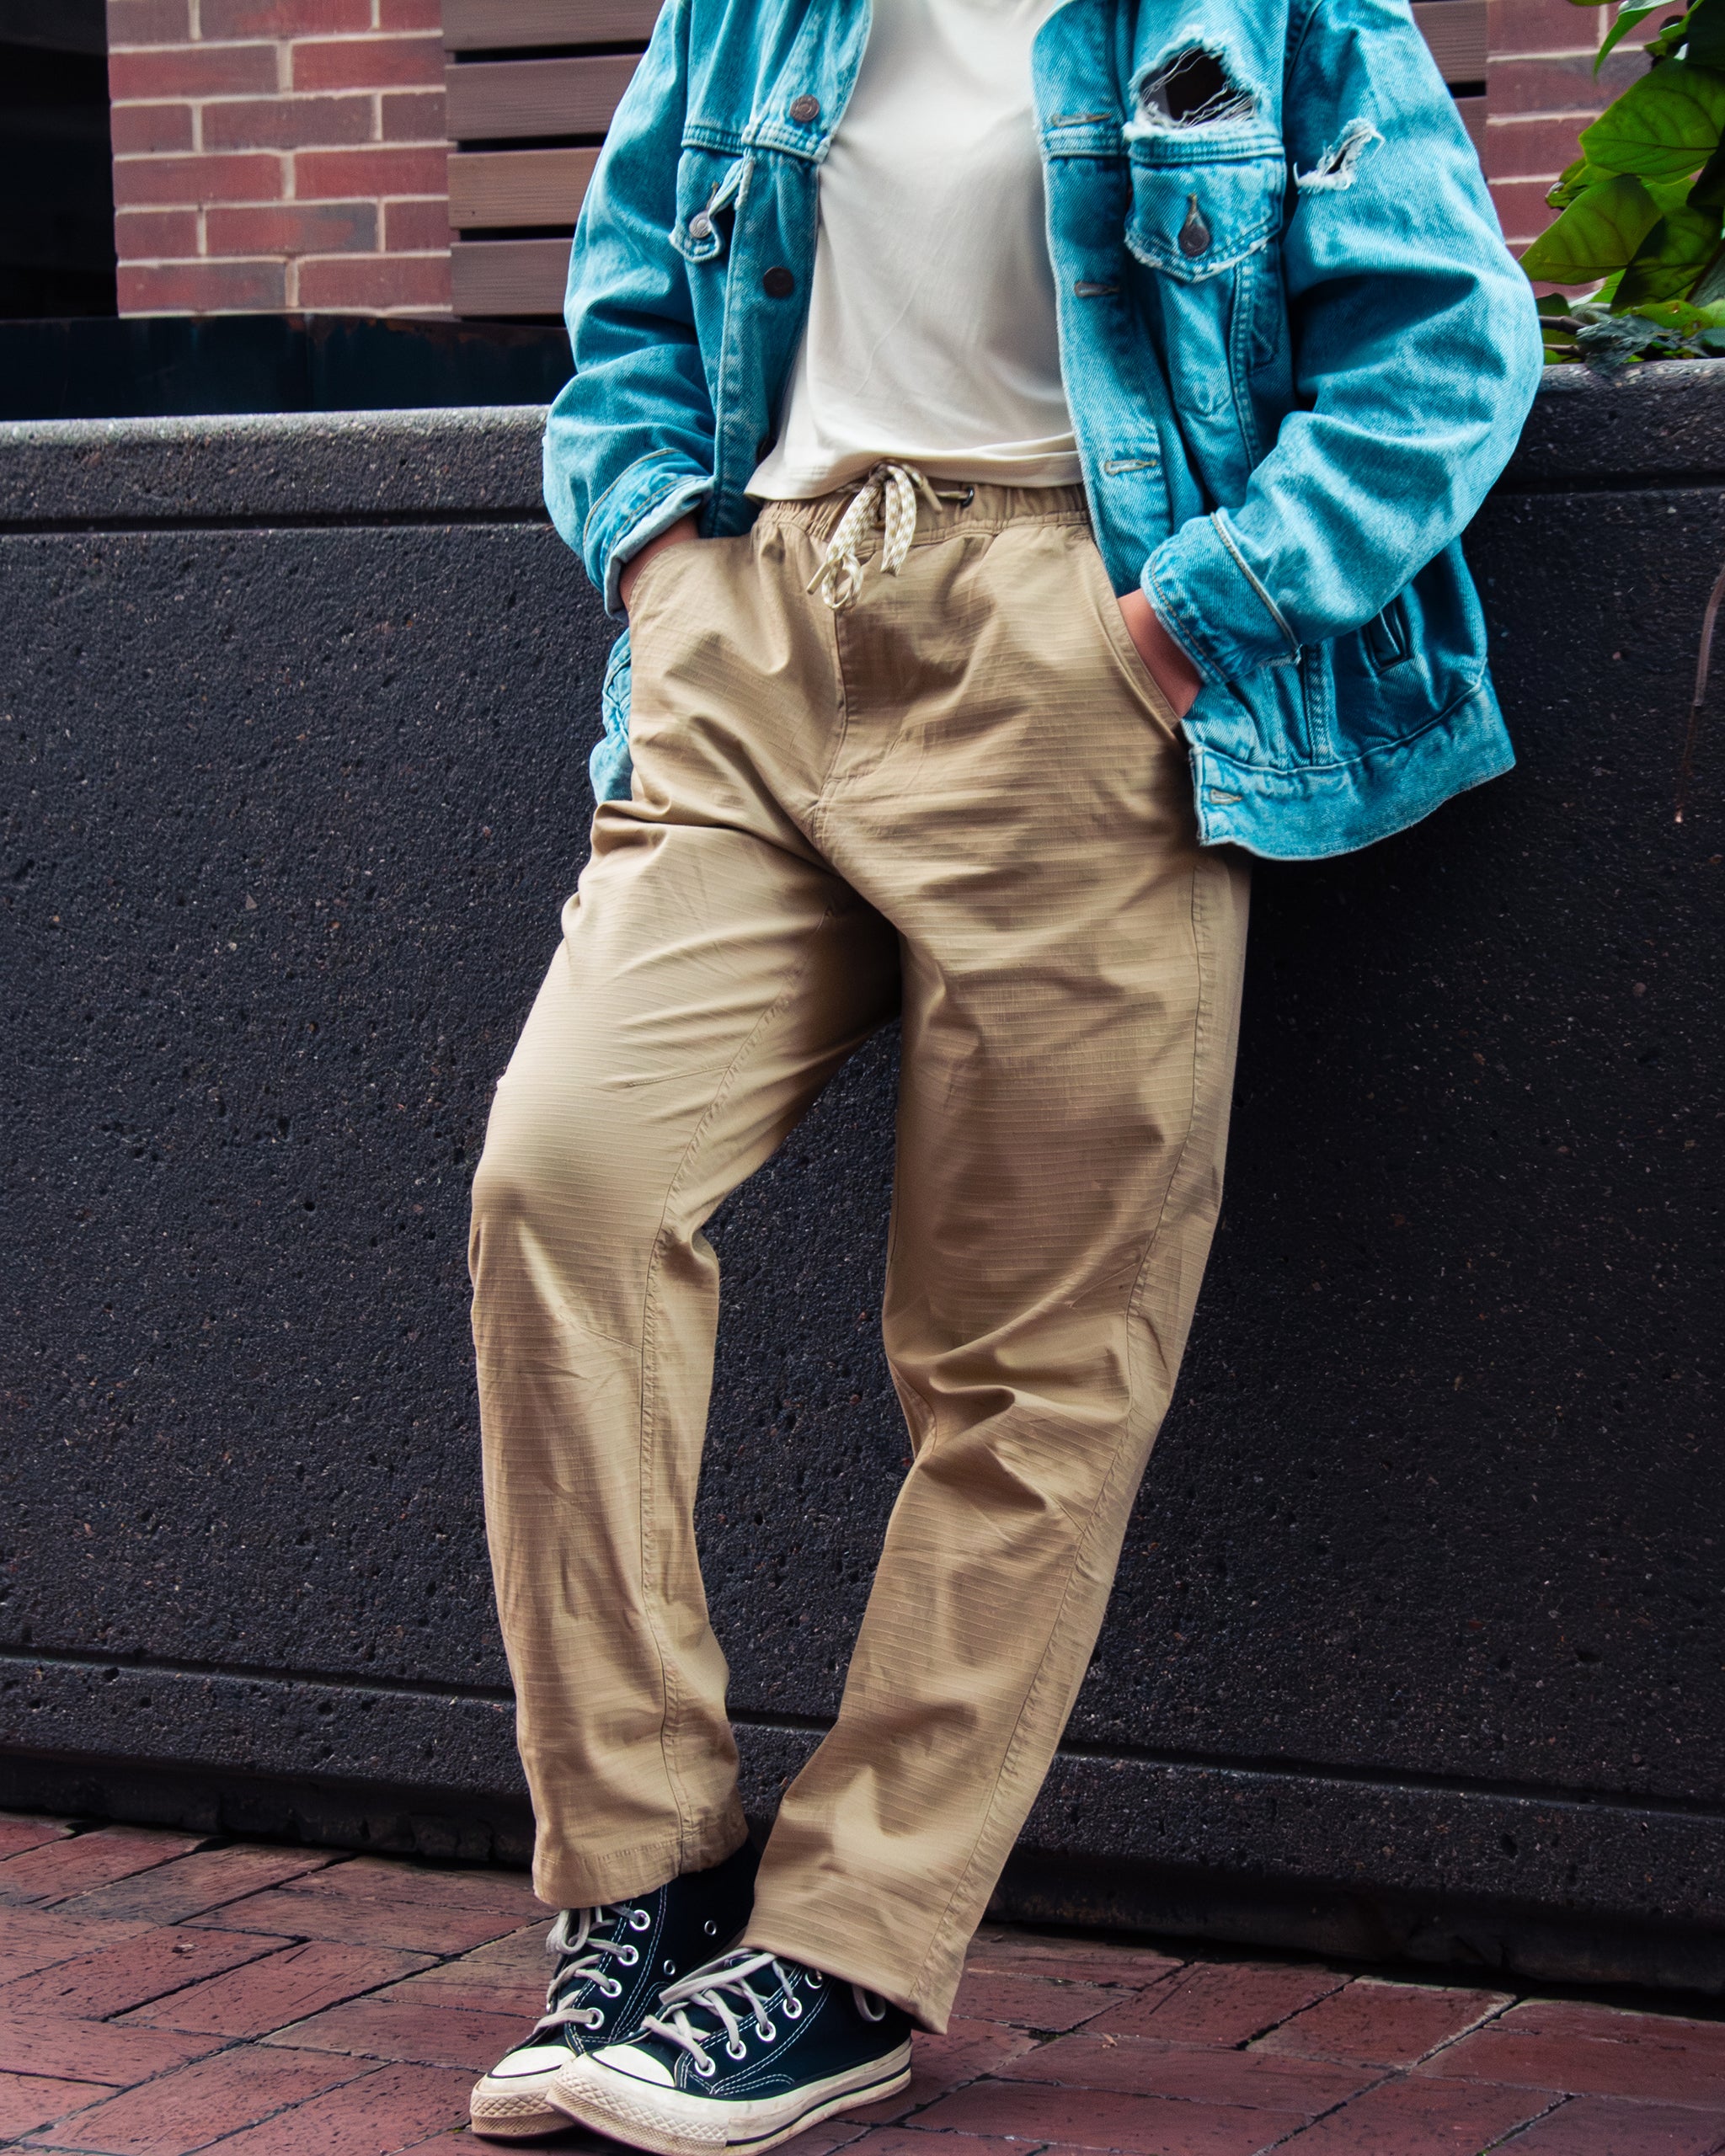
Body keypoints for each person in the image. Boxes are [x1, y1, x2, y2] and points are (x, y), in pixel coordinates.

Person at [465, 0, 1542, 2143]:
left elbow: (1443, 348)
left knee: (1030, 1350)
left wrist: (1180, 619)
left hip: (1080, 651)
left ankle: (850, 1942)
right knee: (559, 1187)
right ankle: (646, 1868)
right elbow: (624, 316)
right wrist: (662, 563)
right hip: (753, 645)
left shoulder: (1274, 16)